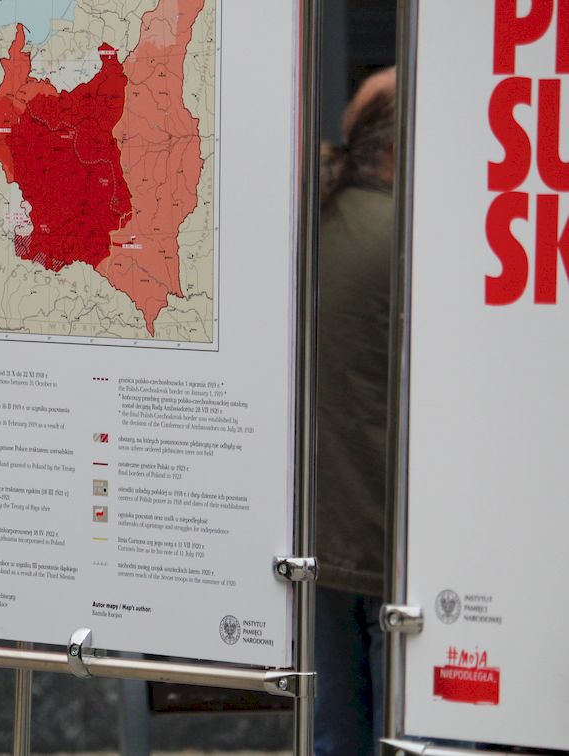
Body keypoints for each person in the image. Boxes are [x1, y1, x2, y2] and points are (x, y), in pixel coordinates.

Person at [314, 66, 397, 756]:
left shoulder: (318, 219)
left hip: (319, 533)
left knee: (337, 731)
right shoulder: (412, 236)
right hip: (389, 538)